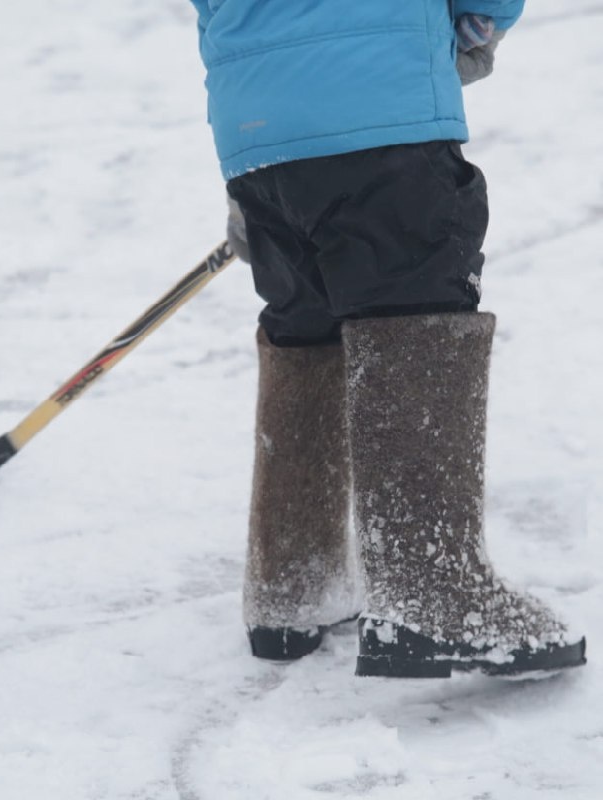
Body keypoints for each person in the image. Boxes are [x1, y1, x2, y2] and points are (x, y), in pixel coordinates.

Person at [188, 0, 586, 677]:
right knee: (415, 307)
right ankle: (432, 588)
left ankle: (293, 583)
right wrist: (479, 24)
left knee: (308, 323)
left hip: (254, 129)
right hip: (378, 104)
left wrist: (253, 149)